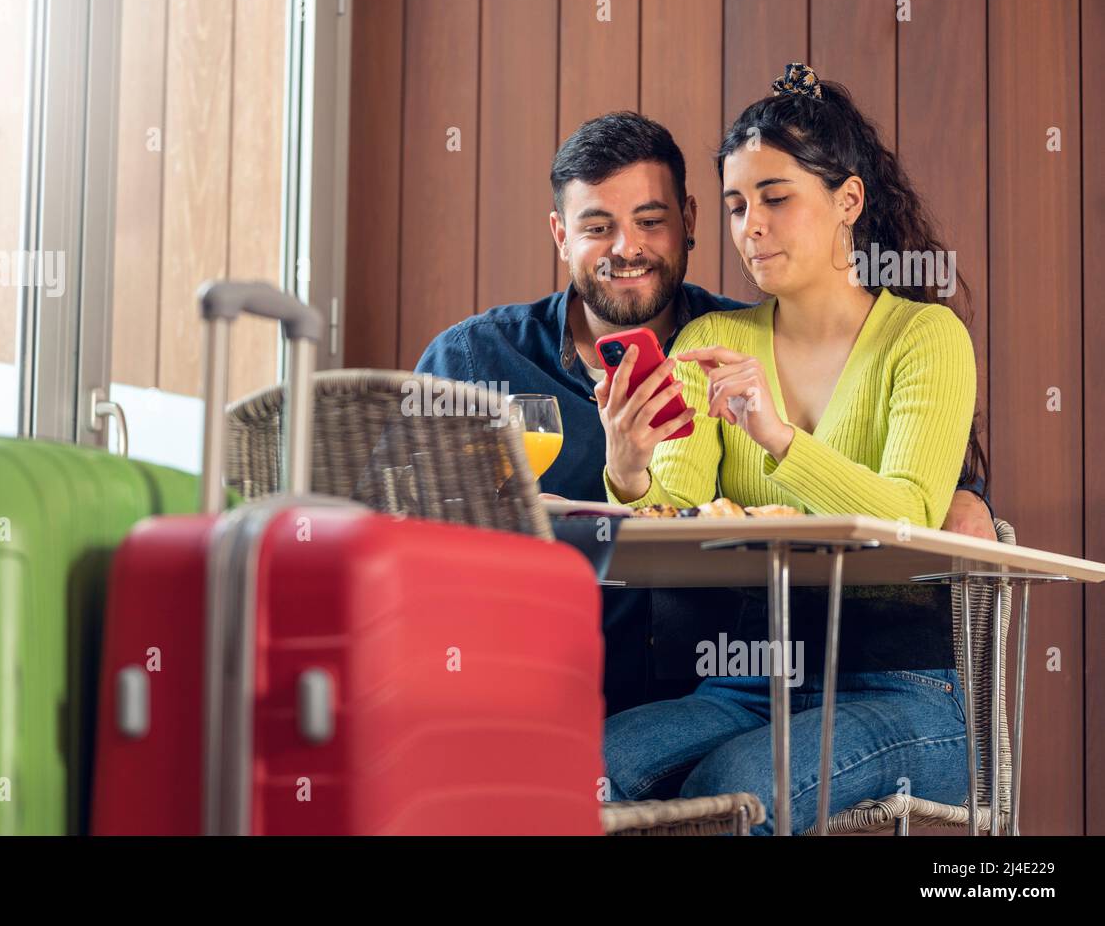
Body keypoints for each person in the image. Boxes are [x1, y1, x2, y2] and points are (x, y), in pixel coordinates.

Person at [415, 107, 993, 718]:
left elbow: (906, 487)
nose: (627, 247)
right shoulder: (475, 359)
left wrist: (969, 493)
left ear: (688, 222)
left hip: (689, 689)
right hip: (513, 683)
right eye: (597, 227)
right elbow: (395, 516)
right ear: (561, 236)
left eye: (649, 221)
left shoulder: (722, 343)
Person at [599, 63, 980, 833]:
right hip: (744, 680)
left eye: (776, 198)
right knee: (580, 767)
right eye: (738, 205)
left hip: (900, 685)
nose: (751, 227)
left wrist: (777, 437)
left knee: (734, 786)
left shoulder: (924, 338)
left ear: (848, 201)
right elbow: (679, 509)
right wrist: (629, 469)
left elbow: (910, 513)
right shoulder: (709, 340)